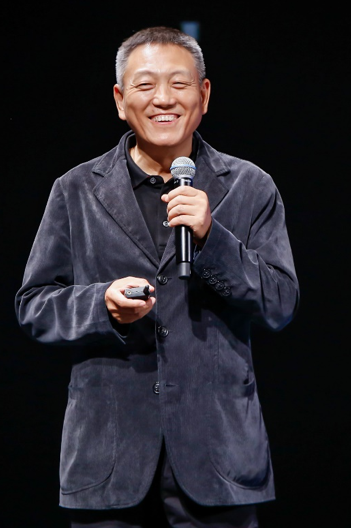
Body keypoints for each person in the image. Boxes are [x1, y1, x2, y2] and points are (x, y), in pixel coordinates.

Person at [15, 26, 299, 527]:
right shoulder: (76, 190)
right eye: (145, 85)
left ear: (204, 95)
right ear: (120, 100)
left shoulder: (251, 186)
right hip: (107, 459)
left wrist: (212, 238)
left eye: (179, 84)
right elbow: (34, 304)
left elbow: (280, 302)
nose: (163, 98)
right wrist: (102, 304)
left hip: (220, 459)